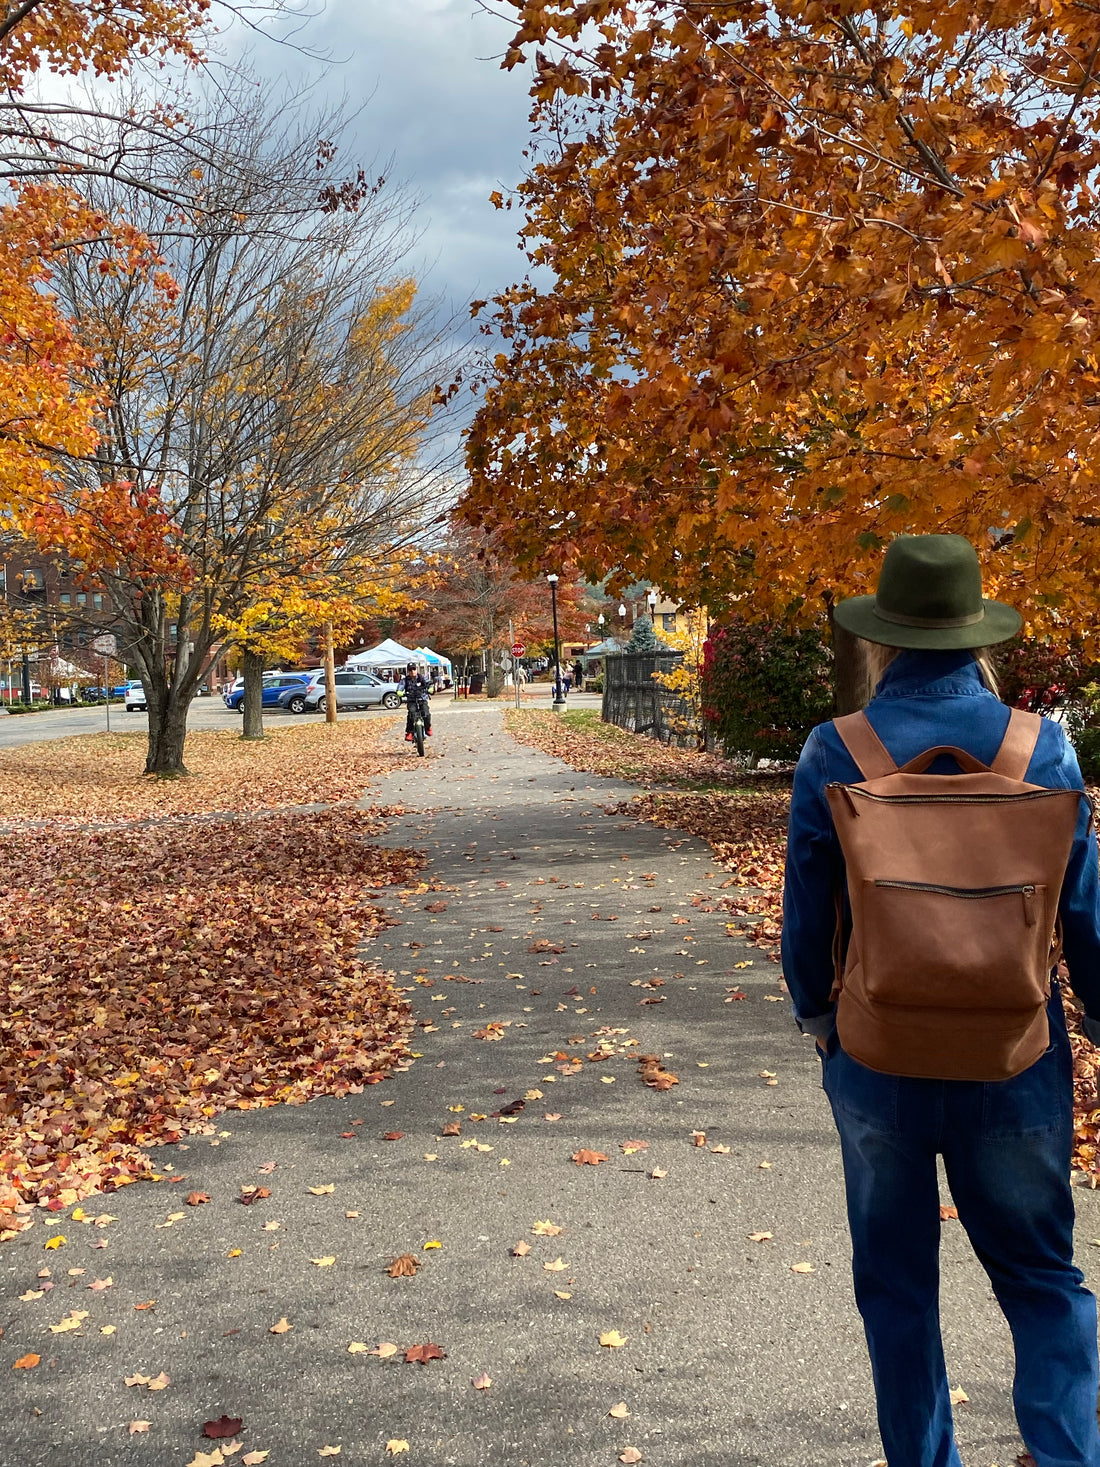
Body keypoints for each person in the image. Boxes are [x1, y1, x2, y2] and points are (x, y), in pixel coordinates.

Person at [782, 534, 1100, 1467]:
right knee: (1044, 1279)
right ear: (976, 636)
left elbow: (808, 917)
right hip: (1013, 1053)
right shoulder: (1043, 747)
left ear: (882, 637)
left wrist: (819, 1019)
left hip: (878, 1054)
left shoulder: (835, 749)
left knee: (897, 1287)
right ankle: (1069, 1454)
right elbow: (1081, 909)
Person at [400, 662, 431, 740]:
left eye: (414, 669)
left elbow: (429, 684)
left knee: (426, 713)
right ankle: (410, 732)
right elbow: (400, 687)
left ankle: (428, 728)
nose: (412, 671)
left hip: (422, 699)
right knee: (411, 714)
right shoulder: (405, 680)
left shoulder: (422, 678)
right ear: (408, 671)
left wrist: (430, 688)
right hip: (411, 700)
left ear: (416, 669)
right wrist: (399, 692)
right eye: (410, 670)